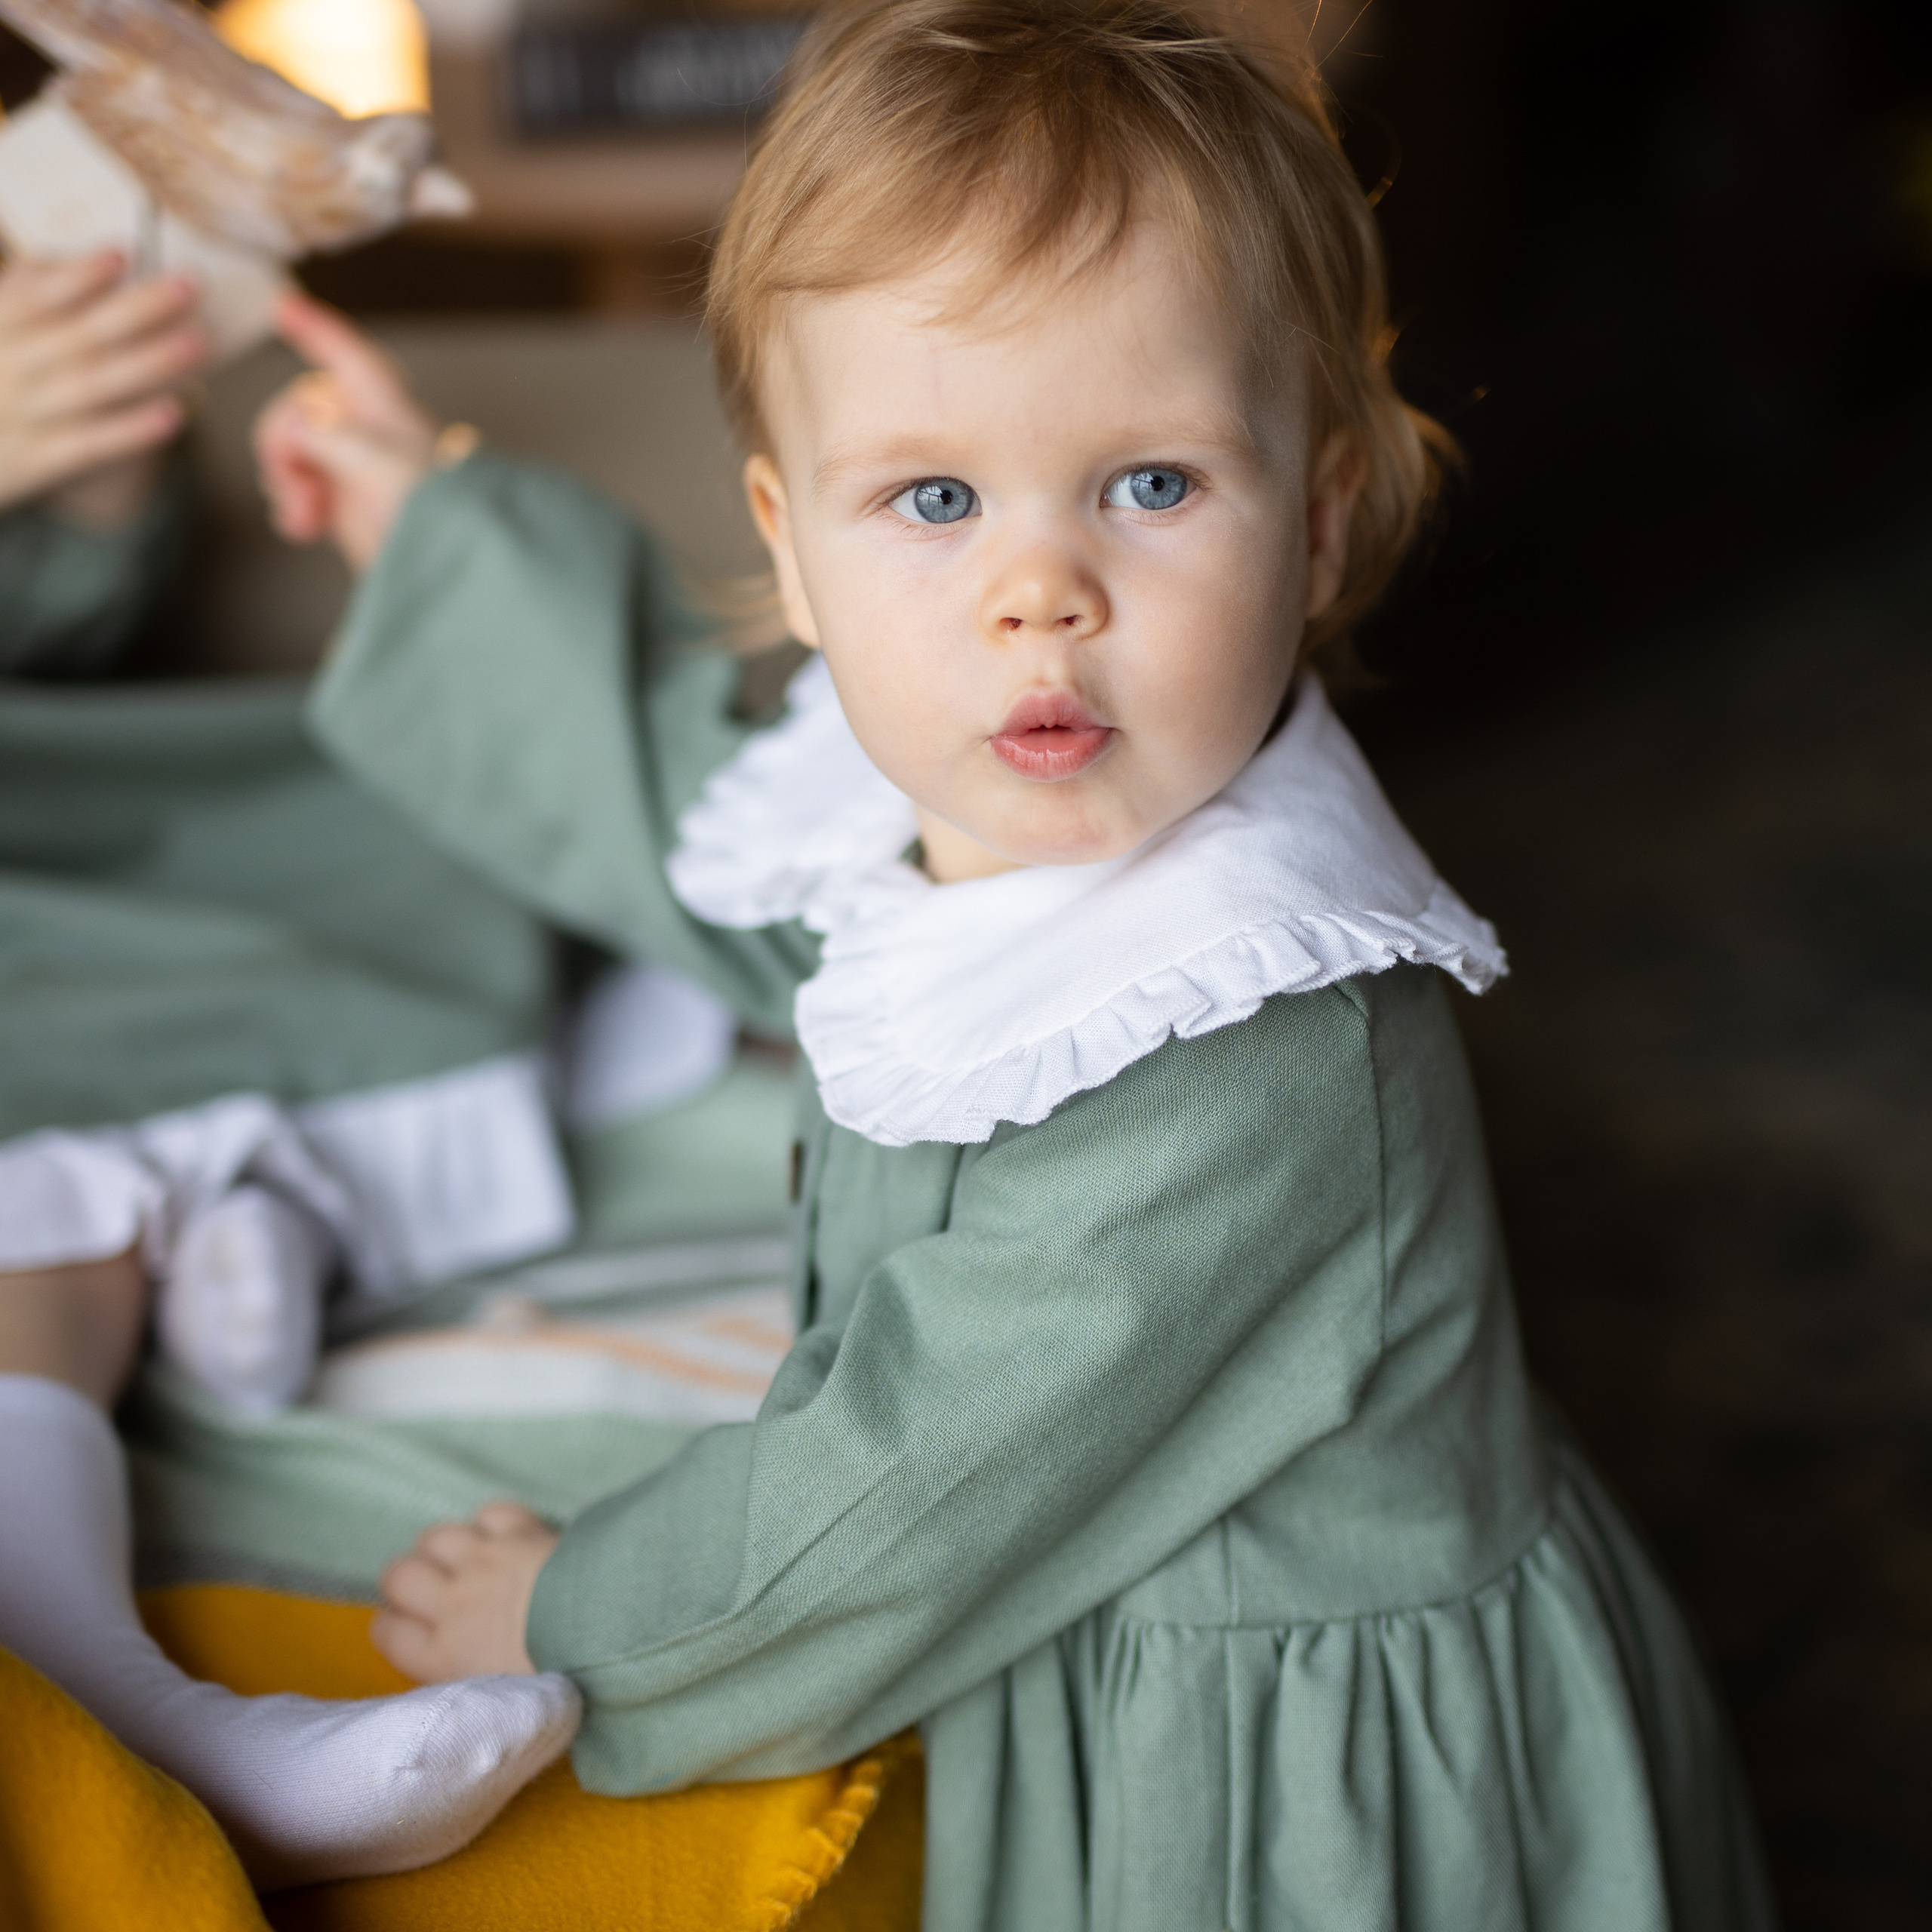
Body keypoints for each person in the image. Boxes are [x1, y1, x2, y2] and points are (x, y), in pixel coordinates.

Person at [0, 248, 583, 1887]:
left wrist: (91, 461)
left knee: (330, 889)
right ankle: (141, 1712)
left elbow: (65, 627)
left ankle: (247, 1203)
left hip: (60, 825)